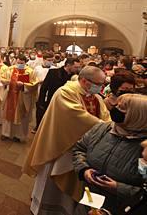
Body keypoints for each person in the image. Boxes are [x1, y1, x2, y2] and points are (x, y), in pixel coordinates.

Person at [22, 66, 110, 215]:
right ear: (84, 80)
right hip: (61, 145)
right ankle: (44, 209)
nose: (101, 87)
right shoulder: (66, 92)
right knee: (53, 181)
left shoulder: (95, 97)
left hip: (83, 147)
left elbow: (105, 116)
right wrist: (103, 127)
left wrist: (108, 125)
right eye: (98, 84)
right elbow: (75, 115)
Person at [73, 94, 147, 215]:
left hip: (120, 209)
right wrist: (84, 169)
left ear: (136, 116)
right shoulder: (101, 129)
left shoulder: (145, 148)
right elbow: (80, 149)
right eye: (117, 105)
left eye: (121, 108)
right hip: (88, 202)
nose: (115, 109)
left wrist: (118, 188)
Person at [34, 57, 81, 133]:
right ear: (68, 65)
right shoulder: (53, 72)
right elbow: (44, 87)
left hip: (67, 104)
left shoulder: (77, 76)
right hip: (52, 100)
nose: (78, 69)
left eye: (79, 67)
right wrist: (41, 102)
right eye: (76, 67)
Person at [0, 54, 39, 142]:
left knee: (21, 117)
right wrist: (5, 82)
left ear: (25, 63)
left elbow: (34, 85)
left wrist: (24, 85)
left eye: (21, 63)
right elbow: (2, 78)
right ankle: (6, 133)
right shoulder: (10, 69)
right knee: (8, 115)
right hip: (10, 95)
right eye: (18, 63)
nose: (19, 65)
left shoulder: (30, 72)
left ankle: (18, 135)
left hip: (22, 97)